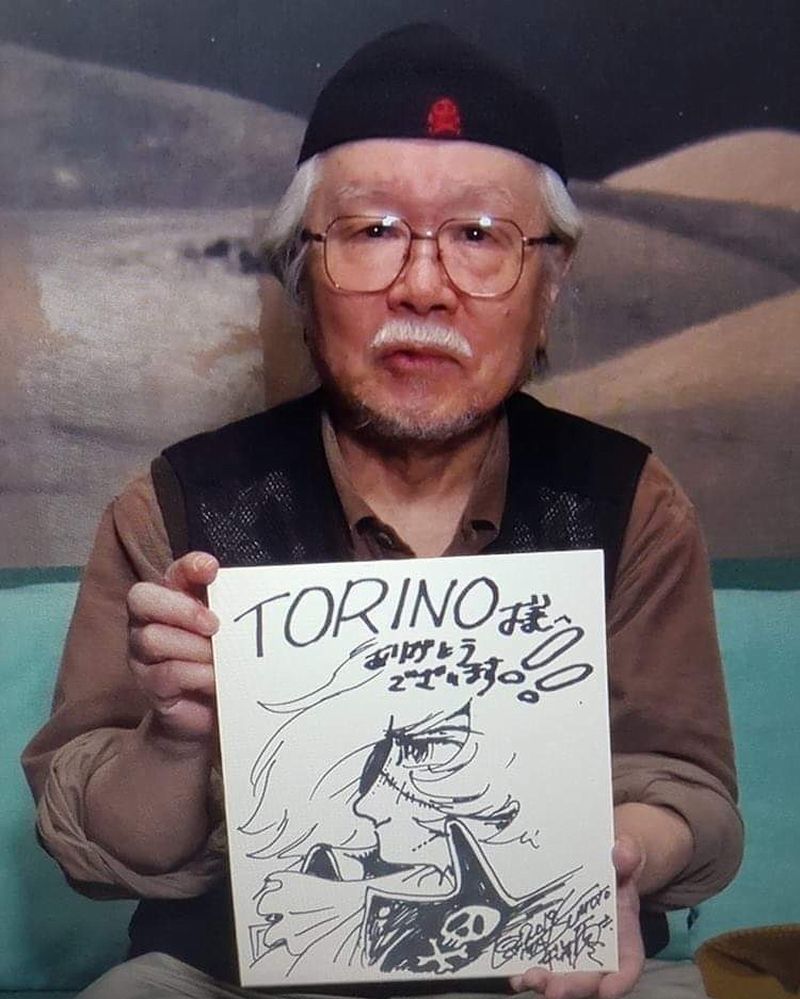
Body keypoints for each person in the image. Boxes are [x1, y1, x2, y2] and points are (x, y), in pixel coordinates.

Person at [22, 23, 742, 999]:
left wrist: (614, 860)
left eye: (479, 236)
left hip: (545, 973)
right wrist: (174, 740)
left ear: (550, 281)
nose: (422, 287)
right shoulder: (180, 507)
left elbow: (691, 796)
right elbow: (100, 857)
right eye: (371, 232)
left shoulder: (627, 500)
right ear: (301, 271)